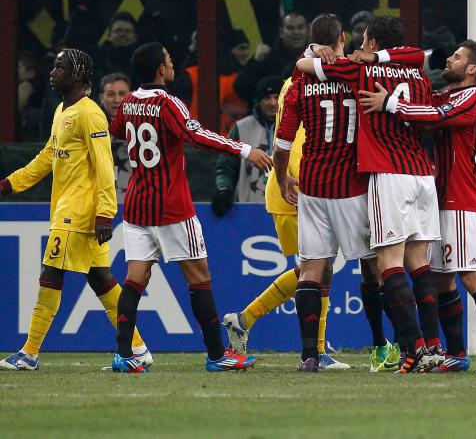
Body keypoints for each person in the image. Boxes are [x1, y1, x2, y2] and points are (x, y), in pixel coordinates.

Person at [360, 40, 476, 374]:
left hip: (464, 199)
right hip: (440, 197)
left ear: (472, 69)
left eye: (458, 57)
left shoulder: (471, 99)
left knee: (470, 274)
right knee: (440, 279)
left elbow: (434, 115)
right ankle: (457, 353)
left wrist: (390, 102)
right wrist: (382, 65)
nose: (449, 59)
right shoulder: (446, 95)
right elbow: (424, 101)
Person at [109, 42, 272, 373]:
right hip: (171, 206)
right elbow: (197, 137)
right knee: (199, 277)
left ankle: (123, 354)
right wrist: (244, 150)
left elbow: (117, 132)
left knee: (135, 278)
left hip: (137, 205)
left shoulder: (128, 103)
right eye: (169, 61)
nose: (173, 65)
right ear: (161, 69)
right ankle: (217, 355)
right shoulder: (168, 103)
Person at [297, 14, 444, 374]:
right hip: (423, 174)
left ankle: (412, 348)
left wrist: (319, 54)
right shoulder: (418, 73)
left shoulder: (360, 70)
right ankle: (434, 345)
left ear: (374, 44)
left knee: (387, 265)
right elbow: (422, 59)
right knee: (419, 263)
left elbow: (301, 66)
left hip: (388, 174)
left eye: (364, 42)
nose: (360, 48)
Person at [271, 14, 413, 372]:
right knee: (379, 268)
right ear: (344, 38)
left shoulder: (300, 80)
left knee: (311, 270)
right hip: (354, 184)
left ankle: (308, 356)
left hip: (314, 186)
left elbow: (282, 144)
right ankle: (395, 347)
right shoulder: (359, 72)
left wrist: (282, 178)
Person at [0, 48, 151, 371]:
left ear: (79, 75)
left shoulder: (89, 113)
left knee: (50, 274)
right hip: (71, 210)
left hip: (80, 213)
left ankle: (29, 353)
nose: (53, 72)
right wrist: (9, 184)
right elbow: (47, 157)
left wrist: (105, 212)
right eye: (54, 66)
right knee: (101, 279)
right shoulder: (61, 111)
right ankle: (137, 347)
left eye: (60, 67)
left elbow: (104, 165)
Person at [221, 45, 351, 372]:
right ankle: (309, 349)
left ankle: (248, 321)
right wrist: (301, 184)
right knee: (315, 270)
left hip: (297, 190)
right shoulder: (302, 91)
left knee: (319, 270)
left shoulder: (298, 88)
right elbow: (293, 149)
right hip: (295, 191)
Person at [212, 76, 282, 215]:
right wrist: (224, 190)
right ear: (258, 101)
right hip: (247, 210)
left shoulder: (296, 127)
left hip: (285, 208)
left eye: (276, 97)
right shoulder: (241, 127)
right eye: (267, 98)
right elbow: (226, 166)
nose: (273, 103)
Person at [233, 12, 309, 104]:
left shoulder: (318, 56)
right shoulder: (267, 58)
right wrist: (255, 62)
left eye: (300, 27)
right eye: (290, 28)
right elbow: (240, 89)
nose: (296, 32)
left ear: (307, 30)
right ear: (281, 32)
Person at [98, 73, 133, 202]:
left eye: (122, 94)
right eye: (111, 94)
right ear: (102, 97)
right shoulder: (90, 123)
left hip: (133, 197)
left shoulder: (142, 122)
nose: (117, 100)